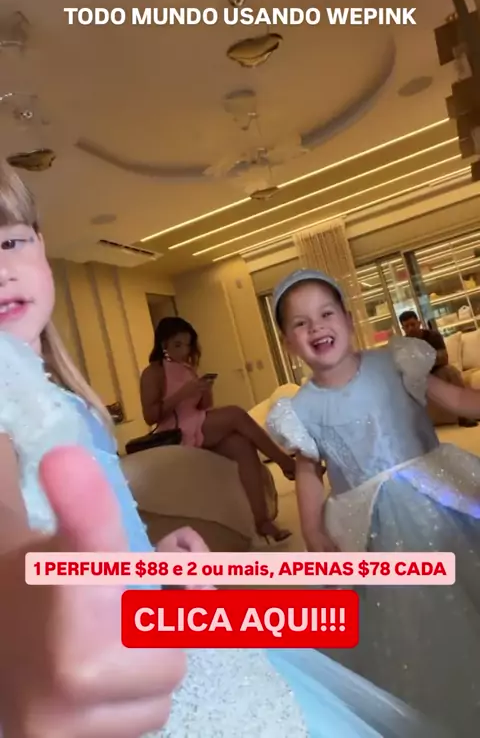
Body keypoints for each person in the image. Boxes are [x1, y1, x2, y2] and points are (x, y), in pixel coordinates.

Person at [0, 164, 446, 737]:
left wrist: (147, 560)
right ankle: (286, 463)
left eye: (10, 242)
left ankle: (273, 483)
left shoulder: (63, 395)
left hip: (155, 611)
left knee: (235, 432)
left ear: (40, 244)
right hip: (109, 650)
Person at [267, 268, 480, 738]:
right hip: (371, 524)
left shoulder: (397, 362)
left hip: (437, 492)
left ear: (348, 318)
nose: (316, 327)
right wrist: (313, 530)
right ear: (287, 341)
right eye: (300, 323)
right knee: (409, 621)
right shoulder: (301, 409)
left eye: (326, 314)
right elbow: (309, 472)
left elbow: (457, 399)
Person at [140, 316, 295, 542]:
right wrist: (183, 393)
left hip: (196, 422)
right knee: (235, 414)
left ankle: (262, 521)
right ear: (164, 344)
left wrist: (204, 391)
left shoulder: (187, 368)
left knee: (242, 446)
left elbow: (204, 407)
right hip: (174, 430)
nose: (184, 351)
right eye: (177, 345)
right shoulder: (153, 373)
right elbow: (150, 416)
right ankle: (285, 462)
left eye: (187, 345)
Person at [399, 309, 477, 427]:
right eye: (406, 326)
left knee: (451, 371)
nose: (410, 328)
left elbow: (443, 358)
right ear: (403, 328)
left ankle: (464, 415)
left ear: (419, 323)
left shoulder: (433, 336)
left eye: (412, 324)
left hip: (436, 372)